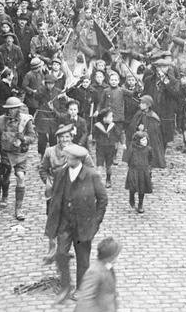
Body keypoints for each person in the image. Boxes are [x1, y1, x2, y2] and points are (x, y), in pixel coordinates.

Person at [45, 144, 108, 304]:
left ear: (77, 159)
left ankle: (80, 288)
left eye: (69, 157)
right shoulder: (60, 174)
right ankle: (65, 286)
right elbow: (55, 198)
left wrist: (96, 222)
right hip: (65, 224)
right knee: (60, 254)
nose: (66, 159)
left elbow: (103, 199)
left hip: (84, 225)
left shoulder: (91, 175)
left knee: (83, 259)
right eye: (66, 156)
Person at [0, 97, 35, 220]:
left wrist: (24, 139)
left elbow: (33, 137)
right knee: (5, 177)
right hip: (5, 154)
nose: (12, 111)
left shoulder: (26, 120)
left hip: (20, 154)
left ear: (19, 108)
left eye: (15, 108)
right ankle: (4, 196)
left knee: (21, 176)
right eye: (10, 109)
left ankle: (18, 208)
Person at [74, 237, 121, 312]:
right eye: (116, 255)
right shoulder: (94, 272)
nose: (117, 257)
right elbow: (85, 300)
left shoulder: (107, 266)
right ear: (110, 256)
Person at [130, 95, 165, 169]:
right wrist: (137, 127)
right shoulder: (140, 113)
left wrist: (144, 129)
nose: (140, 105)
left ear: (148, 105)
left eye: (143, 103)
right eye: (140, 103)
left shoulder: (152, 116)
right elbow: (133, 124)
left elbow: (153, 131)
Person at [125, 131, 153, 214]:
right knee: (133, 185)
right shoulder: (133, 149)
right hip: (134, 170)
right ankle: (131, 196)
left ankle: (140, 204)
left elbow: (150, 159)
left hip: (143, 171)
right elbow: (128, 158)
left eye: (146, 140)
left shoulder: (148, 149)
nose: (145, 142)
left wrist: (149, 169)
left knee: (142, 188)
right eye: (143, 140)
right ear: (138, 141)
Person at [92, 108, 122, 188]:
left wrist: (122, 142)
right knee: (99, 165)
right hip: (100, 148)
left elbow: (119, 134)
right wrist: (94, 140)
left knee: (109, 166)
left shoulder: (113, 126)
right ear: (104, 118)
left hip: (110, 148)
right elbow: (94, 135)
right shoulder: (97, 126)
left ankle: (108, 180)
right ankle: (98, 181)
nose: (112, 119)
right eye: (110, 117)